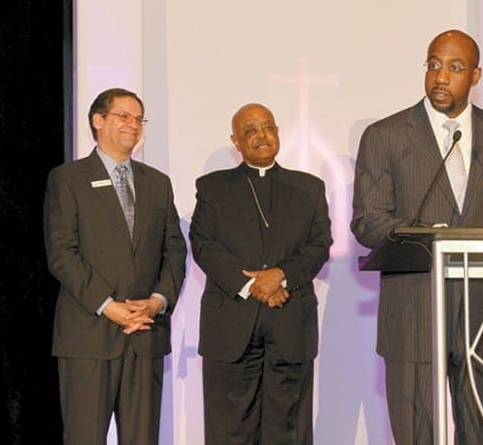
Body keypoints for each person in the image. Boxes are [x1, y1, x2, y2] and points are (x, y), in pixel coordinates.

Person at [351, 29, 483, 443]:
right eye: (433, 65)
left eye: (454, 68)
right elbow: (368, 222)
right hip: (414, 313)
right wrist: (427, 238)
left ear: (474, 76)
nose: (440, 77)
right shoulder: (385, 136)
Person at [43, 87, 187, 444]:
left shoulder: (158, 183)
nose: (133, 125)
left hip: (144, 333)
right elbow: (62, 253)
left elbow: (174, 251)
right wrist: (109, 306)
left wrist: (156, 301)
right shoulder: (67, 179)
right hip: (88, 336)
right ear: (98, 120)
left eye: (139, 119)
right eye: (124, 116)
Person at [189, 103, 332, 444]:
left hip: (290, 325)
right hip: (231, 324)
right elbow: (203, 244)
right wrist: (253, 283)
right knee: (229, 429)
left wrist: (280, 275)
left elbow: (319, 244)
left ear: (278, 132)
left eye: (267, 127)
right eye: (250, 131)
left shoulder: (309, 188)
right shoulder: (213, 188)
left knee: (289, 430)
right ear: (235, 142)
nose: (261, 135)